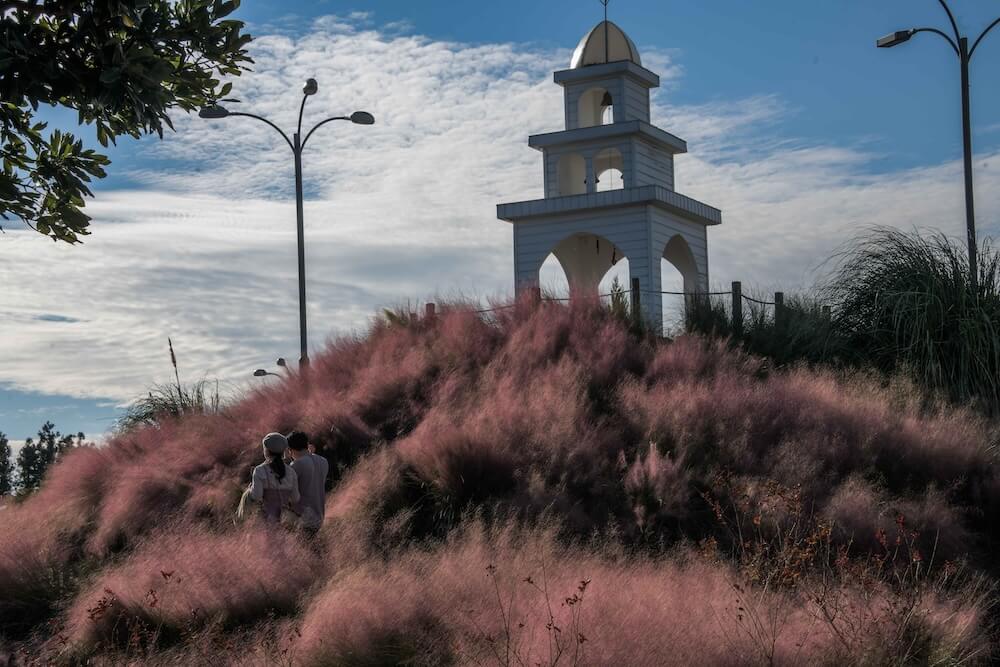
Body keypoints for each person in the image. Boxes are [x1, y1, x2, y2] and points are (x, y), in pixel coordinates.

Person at [241, 432, 299, 525]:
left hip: (266, 520)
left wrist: (249, 491)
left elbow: (257, 496)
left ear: (266, 451)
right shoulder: (291, 472)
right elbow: (295, 498)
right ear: (283, 451)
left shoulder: (260, 470)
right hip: (286, 521)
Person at [287, 431, 329, 534]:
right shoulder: (323, 461)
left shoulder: (296, 465)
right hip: (319, 517)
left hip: (303, 520)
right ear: (307, 444)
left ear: (290, 450)